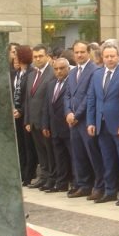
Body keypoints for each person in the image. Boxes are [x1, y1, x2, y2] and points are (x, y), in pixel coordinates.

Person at [86, 42, 119, 206]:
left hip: (118, 124)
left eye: (112, 56)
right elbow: (92, 99)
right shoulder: (97, 74)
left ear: (118, 56)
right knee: (107, 160)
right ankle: (110, 191)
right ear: (102, 57)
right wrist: (91, 121)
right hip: (101, 124)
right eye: (106, 56)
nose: (109, 59)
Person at [66, 41, 105, 201]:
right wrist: (68, 112)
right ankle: (83, 185)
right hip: (72, 121)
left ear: (88, 52)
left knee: (93, 155)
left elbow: (90, 96)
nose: (79, 55)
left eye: (82, 52)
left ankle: (99, 185)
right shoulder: (72, 71)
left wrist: (76, 115)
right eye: (76, 52)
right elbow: (67, 94)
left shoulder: (94, 71)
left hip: (86, 120)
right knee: (78, 154)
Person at [25, 45, 56, 190]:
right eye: (35, 57)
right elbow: (28, 99)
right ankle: (43, 176)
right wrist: (27, 120)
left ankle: (51, 177)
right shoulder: (31, 75)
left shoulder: (52, 74)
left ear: (47, 57)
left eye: (40, 56)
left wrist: (46, 123)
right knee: (40, 151)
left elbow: (49, 101)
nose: (37, 59)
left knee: (50, 151)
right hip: (33, 121)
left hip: (46, 122)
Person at [42, 57, 73, 193]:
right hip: (54, 127)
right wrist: (45, 124)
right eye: (56, 69)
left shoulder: (72, 83)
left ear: (68, 68)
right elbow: (46, 106)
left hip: (68, 126)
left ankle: (76, 182)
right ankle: (61, 183)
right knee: (59, 156)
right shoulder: (50, 84)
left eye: (62, 68)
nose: (59, 71)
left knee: (72, 155)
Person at [12, 45, 35, 186]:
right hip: (16, 114)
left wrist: (20, 110)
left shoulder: (30, 73)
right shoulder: (17, 73)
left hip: (26, 114)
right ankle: (21, 172)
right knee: (20, 145)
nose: (14, 57)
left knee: (28, 146)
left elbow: (28, 97)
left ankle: (29, 175)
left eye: (16, 54)